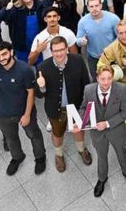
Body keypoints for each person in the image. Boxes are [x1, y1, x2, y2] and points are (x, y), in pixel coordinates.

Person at [0, 42, 47, 176]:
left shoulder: (24, 69)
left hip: (24, 112)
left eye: (4, 54)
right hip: (3, 114)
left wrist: (27, 115)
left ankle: (40, 157)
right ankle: (17, 157)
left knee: (34, 135)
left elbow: (31, 92)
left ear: (11, 52)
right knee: (11, 138)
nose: (2, 58)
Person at [79, 66, 126, 196]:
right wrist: (82, 120)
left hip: (116, 129)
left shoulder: (121, 89)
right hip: (97, 132)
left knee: (121, 152)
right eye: (102, 79)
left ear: (113, 77)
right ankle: (102, 179)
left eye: (109, 78)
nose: (106, 82)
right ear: (97, 78)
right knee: (101, 156)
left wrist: (107, 124)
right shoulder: (88, 90)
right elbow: (84, 107)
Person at [36, 35, 91, 173]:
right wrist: (41, 86)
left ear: (67, 49)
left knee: (78, 129)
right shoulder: (43, 67)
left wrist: (87, 106)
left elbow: (86, 84)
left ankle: (81, 149)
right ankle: (59, 155)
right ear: (51, 51)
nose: (59, 53)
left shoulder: (78, 61)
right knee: (57, 133)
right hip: (55, 109)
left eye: (62, 49)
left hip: (76, 106)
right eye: (55, 51)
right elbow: (39, 94)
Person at [77, 0, 120, 77]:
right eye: (91, 6)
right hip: (94, 58)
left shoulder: (113, 18)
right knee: (97, 80)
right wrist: (82, 41)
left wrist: (108, 51)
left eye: (96, 6)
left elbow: (120, 37)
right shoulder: (82, 22)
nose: (94, 8)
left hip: (112, 57)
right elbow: (78, 40)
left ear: (101, 5)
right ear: (88, 8)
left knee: (115, 79)